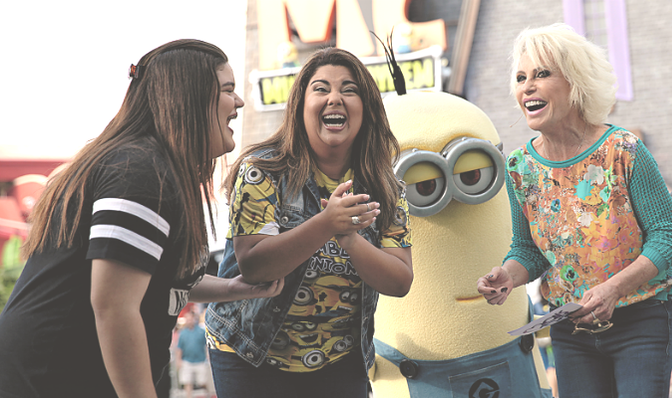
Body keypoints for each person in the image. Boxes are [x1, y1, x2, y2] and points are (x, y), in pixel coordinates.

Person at [0, 39, 285, 398]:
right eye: (228, 89)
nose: (239, 102)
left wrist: (232, 288)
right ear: (190, 97)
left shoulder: (148, 167)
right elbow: (114, 303)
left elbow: (149, 276)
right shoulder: (142, 172)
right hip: (55, 378)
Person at [476, 23, 672, 398]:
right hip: (570, 329)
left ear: (575, 83)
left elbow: (669, 236)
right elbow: (528, 251)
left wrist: (613, 289)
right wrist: (508, 275)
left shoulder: (624, 149)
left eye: (542, 74)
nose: (527, 87)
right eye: (521, 77)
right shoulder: (518, 167)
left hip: (641, 319)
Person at [204, 47, 413, 398]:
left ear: (367, 109)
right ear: (299, 108)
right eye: (321, 89)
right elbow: (254, 267)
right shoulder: (262, 171)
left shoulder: (386, 189)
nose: (335, 98)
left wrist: (351, 240)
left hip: (338, 360)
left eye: (349, 90)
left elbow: (400, 280)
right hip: (249, 353)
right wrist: (327, 224)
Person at [176, 309, 211, 398]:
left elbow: (206, 345)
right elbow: (179, 348)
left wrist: (208, 356)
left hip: (200, 360)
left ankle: (208, 395)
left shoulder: (201, 331)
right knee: (187, 382)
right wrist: (178, 361)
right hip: (187, 360)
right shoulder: (183, 333)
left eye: (190, 319)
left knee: (202, 381)